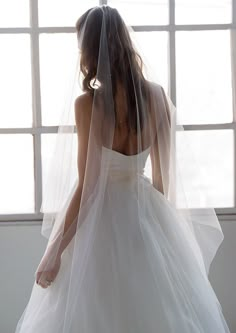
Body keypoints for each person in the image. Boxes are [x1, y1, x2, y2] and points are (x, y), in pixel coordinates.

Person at [15, 5, 231, 332]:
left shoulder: (87, 104)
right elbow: (162, 182)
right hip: (147, 216)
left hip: (101, 221)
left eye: (80, 48)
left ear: (90, 50)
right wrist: (156, 232)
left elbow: (88, 186)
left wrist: (55, 251)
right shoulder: (158, 98)